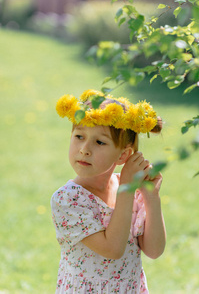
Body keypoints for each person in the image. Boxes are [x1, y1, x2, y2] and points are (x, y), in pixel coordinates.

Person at [51, 89, 166, 294]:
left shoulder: (129, 190)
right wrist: (127, 190)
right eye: (79, 136)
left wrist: (151, 197)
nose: (84, 149)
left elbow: (154, 250)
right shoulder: (68, 199)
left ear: (123, 155)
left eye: (100, 142)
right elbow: (113, 249)